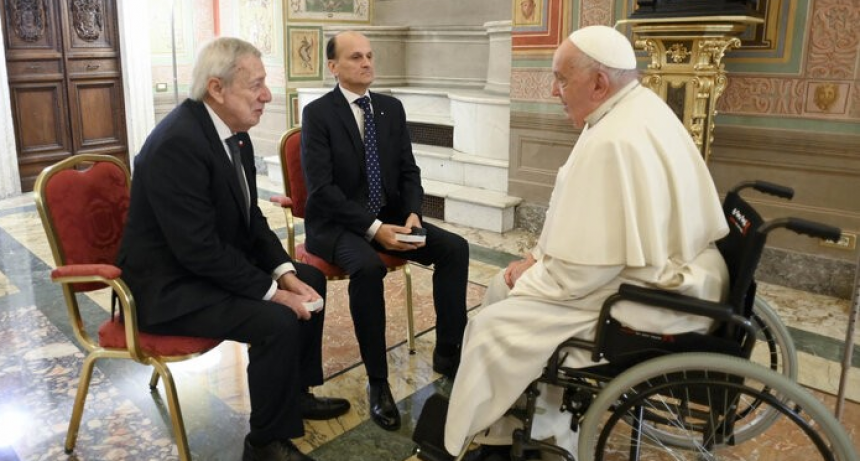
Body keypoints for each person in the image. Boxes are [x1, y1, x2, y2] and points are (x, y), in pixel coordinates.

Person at [442, 25, 731, 458]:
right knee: (504, 288)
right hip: (672, 274)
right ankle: (533, 420)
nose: (554, 91)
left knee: (491, 327)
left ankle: (496, 436)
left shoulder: (613, 139)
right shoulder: (637, 108)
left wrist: (532, 274)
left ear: (598, 82)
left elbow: (583, 273)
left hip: (644, 296)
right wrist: (539, 258)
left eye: (561, 78)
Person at [117, 37, 349, 461]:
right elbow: (198, 250)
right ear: (217, 89)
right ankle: (263, 442)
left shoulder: (233, 135)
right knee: (276, 318)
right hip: (170, 287)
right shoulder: (178, 144)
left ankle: (294, 393)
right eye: (256, 85)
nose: (267, 96)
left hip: (201, 268)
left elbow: (250, 219)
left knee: (310, 278)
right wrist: (273, 292)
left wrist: (286, 273)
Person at [300, 31, 470, 431]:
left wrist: (412, 214)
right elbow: (322, 192)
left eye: (370, 56)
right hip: (338, 225)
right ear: (334, 67)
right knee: (367, 268)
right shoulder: (318, 114)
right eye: (356, 57)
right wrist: (374, 230)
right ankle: (379, 384)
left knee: (455, 248)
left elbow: (409, 171)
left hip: (392, 218)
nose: (367, 63)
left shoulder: (391, 109)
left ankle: (448, 351)